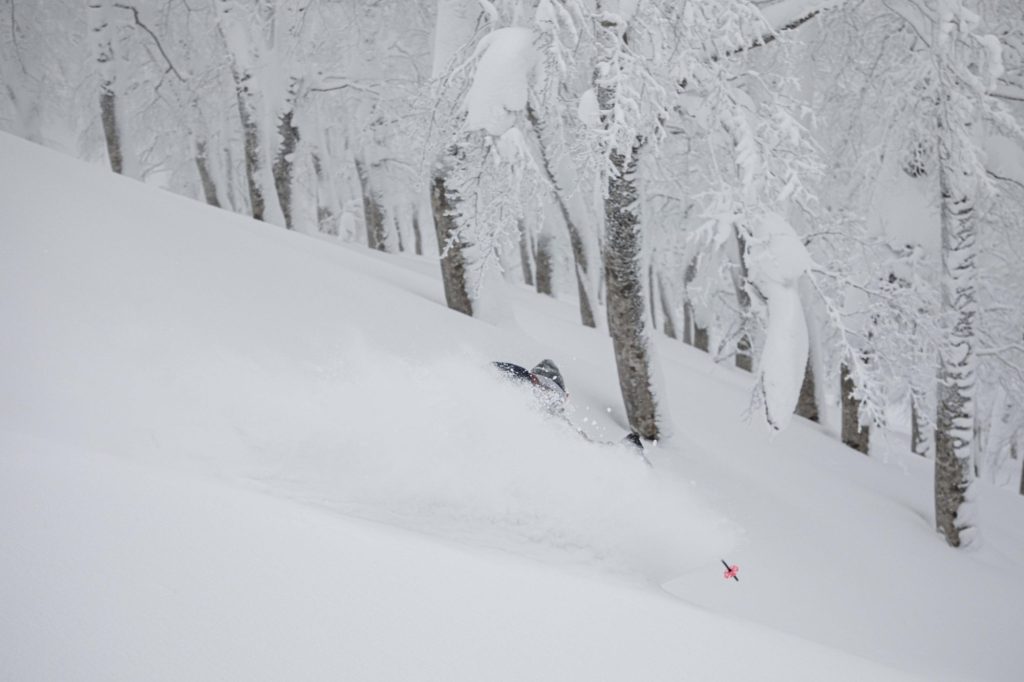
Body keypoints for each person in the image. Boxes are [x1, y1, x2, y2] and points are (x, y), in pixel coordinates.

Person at [492, 359, 648, 463]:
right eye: (544, 388)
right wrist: (526, 377)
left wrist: (624, 451)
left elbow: (588, 449)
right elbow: (498, 371)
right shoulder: (515, 398)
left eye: (556, 395)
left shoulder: (560, 423)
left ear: (565, 398)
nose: (548, 397)